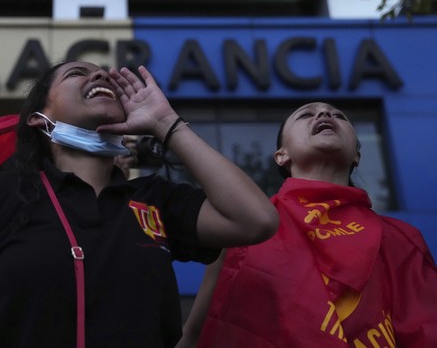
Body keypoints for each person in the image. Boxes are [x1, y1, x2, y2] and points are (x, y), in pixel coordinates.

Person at [0, 61, 279, 347]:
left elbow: (256, 220)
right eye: (77, 73)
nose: (101, 74)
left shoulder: (155, 199)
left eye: (104, 72)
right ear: (39, 119)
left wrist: (166, 124)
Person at [179, 102, 437, 348]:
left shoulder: (401, 237)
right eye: (305, 115)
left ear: (357, 155)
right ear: (281, 156)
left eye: (338, 115)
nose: (324, 114)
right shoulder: (247, 229)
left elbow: (426, 330)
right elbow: (197, 336)